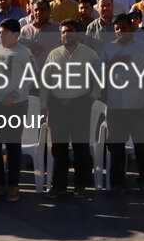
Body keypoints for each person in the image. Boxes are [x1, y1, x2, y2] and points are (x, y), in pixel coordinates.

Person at [101, 13, 144, 195]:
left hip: (138, 105)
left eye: (124, 27)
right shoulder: (108, 49)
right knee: (116, 147)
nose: (120, 31)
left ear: (132, 28)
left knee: (141, 146)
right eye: (117, 29)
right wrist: (114, 63)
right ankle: (118, 182)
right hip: (115, 106)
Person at [43, 20, 101, 198]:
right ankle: (58, 186)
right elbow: (45, 82)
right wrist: (44, 104)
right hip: (57, 106)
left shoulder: (89, 54)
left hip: (80, 105)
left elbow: (98, 79)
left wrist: (91, 98)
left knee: (80, 148)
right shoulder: (54, 55)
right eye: (63, 31)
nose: (66, 34)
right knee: (58, 149)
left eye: (70, 31)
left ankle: (81, 185)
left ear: (77, 34)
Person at [0, 18, 34, 202]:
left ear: (16, 35)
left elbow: (31, 77)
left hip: (17, 105)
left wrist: (15, 94)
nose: (0, 36)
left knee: (13, 145)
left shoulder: (24, 52)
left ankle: (13, 186)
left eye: (4, 32)